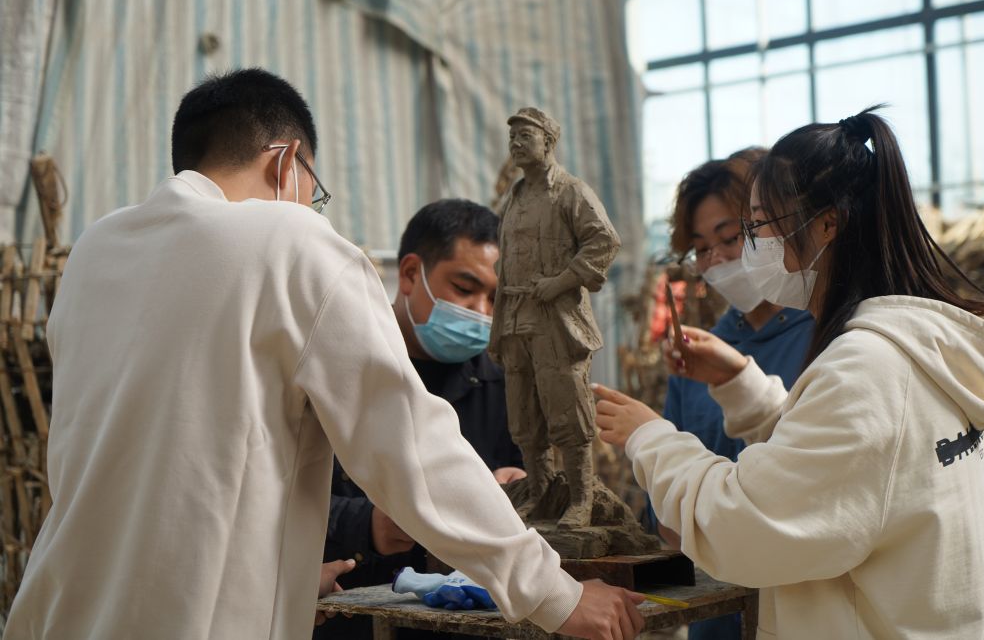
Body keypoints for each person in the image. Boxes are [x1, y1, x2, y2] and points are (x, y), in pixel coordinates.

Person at [3, 69, 644, 640]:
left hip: (59, 611)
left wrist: (276, 567)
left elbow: (133, 459)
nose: (312, 208)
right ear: (288, 162)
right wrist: (555, 595)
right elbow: (410, 447)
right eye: (314, 190)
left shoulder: (95, 252)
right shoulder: (292, 240)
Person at [592, 106, 984, 638]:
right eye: (706, 247)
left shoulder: (865, 369)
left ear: (825, 224)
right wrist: (741, 386)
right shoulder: (913, 349)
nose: (745, 251)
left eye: (756, 228)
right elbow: (841, 466)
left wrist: (649, 438)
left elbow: (748, 525)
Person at [315, 198, 524, 639]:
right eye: (465, 288)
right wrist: (368, 524)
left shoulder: (504, 386)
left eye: (494, 298)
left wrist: (521, 492)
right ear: (411, 274)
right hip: (351, 618)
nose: (481, 313)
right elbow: (277, 497)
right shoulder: (339, 369)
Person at [657, 148, 814, 640]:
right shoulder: (696, 356)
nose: (717, 260)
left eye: (729, 238)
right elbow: (669, 501)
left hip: (805, 598)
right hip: (716, 608)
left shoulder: (829, 337)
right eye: (701, 249)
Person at [489, 107, 621, 528]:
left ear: (548, 141)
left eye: (525, 136)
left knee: (568, 414)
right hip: (515, 318)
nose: (515, 143)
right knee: (525, 418)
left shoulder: (571, 191)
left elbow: (604, 241)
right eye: (512, 137)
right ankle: (541, 495)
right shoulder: (514, 197)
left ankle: (581, 500)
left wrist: (561, 281)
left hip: (556, 322)